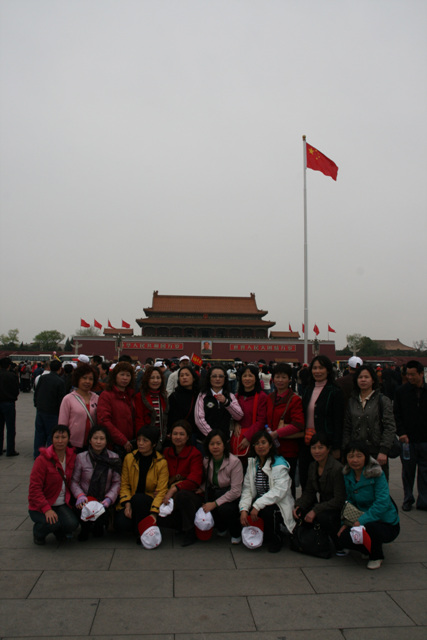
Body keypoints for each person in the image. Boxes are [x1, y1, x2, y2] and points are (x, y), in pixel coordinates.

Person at [338, 440, 400, 569]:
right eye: (351, 456)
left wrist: (361, 521)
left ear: (366, 457)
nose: (355, 460)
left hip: (384, 521)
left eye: (359, 456)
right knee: (343, 537)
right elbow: (350, 500)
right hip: (360, 516)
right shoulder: (348, 474)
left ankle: (376, 556)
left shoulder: (377, 473)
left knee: (370, 528)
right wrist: (346, 522)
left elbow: (382, 503)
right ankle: (367, 549)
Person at [239, 430, 295, 552]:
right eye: (257, 443)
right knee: (243, 509)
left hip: (278, 504)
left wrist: (257, 505)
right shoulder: (253, 463)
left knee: (268, 511)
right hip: (260, 502)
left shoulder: (279, 464)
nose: (260, 446)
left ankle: (277, 538)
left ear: (270, 445)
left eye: (263, 442)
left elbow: (279, 491)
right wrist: (244, 509)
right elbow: (247, 489)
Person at [293, 433, 346, 554]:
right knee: (300, 512)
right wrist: (299, 505)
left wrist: (315, 510)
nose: (317, 451)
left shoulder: (337, 469)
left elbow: (339, 499)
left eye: (321, 447)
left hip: (336, 508)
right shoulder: (313, 466)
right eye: (314, 448)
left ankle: (339, 543)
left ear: (328, 449)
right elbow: (309, 491)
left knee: (323, 517)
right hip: (323, 505)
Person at [115, 425, 169, 541]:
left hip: (148, 501)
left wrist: (154, 512)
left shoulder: (161, 462)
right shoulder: (129, 458)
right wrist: (127, 504)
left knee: (139, 499)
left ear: (153, 444)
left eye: (145, 441)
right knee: (121, 524)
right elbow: (124, 484)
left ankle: (141, 532)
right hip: (132, 500)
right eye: (139, 440)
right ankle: (140, 526)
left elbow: (161, 490)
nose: (140, 443)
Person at [343, 365, 396, 480]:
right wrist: (347, 450)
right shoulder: (352, 401)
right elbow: (347, 427)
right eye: (360, 377)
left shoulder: (382, 400)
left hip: (376, 452)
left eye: (366, 377)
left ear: (373, 380)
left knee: (378, 485)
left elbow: (390, 427)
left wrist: (384, 450)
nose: (363, 380)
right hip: (356, 452)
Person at [28, 425, 79, 544]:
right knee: (52, 523)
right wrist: (46, 509)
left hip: (61, 503)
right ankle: (38, 532)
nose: (60, 441)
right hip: (41, 505)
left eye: (63, 437)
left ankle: (59, 530)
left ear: (68, 439)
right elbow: (34, 488)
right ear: (52, 439)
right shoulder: (42, 460)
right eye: (57, 437)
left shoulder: (72, 456)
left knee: (72, 524)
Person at [300, 356, 344, 490]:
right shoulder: (308, 390)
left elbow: (339, 421)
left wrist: (336, 447)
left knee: (327, 483)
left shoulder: (335, 391)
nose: (317, 371)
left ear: (328, 370)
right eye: (314, 368)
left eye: (321, 368)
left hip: (326, 442)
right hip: (308, 442)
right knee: (306, 479)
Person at [70, 426, 121, 541]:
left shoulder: (114, 458)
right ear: (90, 440)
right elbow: (74, 481)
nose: (98, 442)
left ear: (106, 441)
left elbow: (116, 482)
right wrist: (80, 496)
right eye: (95, 438)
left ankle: (99, 524)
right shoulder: (81, 457)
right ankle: (85, 527)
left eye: (102, 439)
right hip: (86, 498)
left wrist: (109, 499)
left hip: (103, 499)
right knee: (81, 511)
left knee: (99, 533)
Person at [160, 420, 203, 546]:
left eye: (181, 434)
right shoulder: (166, 453)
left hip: (190, 495)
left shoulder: (195, 453)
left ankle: (190, 531)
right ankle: (179, 526)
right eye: (175, 434)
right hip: (169, 493)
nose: (178, 437)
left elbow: (194, 480)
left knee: (182, 496)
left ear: (188, 437)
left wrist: (174, 489)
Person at [266, 363, 304, 496]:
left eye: (283, 377)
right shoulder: (270, 398)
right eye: (277, 377)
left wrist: (276, 433)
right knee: (271, 483)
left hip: (288, 450)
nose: (280, 380)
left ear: (289, 380)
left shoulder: (294, 400)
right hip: (271, 449)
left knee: (287, 484)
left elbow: (298, 424)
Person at [394, 360, 427, 511]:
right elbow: (397, 414)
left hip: (425, 439)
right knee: (408, 471)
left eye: (413, 374)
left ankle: (423, 500)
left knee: (424, 472)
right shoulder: (401, 392)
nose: (410, 377)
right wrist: (401, 433)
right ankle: (408, 498)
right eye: (408, 374)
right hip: (407, 440)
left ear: (421, 374)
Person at [200, 429, 244, 543]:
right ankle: (221, 527)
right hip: (215, 491)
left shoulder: (234, 462)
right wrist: (200, 489)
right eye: (212, 444)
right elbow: (208, 481)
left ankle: (236, 532)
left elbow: (236, 491)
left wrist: (214, 504)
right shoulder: (206, 460)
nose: (215, 447)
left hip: (231, 496)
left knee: (225, 508)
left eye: (218, 443)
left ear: (224, 445)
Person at [97, 362, 136, 459]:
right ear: (115, 376)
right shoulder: (106, 395)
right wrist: (121, 439)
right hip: (114, 445)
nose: (125, 378)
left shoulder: (130, 395)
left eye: (128, 375)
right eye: (122, 374)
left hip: (130, 443)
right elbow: (104, 421)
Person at [195, 365, 243, 442]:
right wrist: (213, 436)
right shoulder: (202, 395)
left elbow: (239, 416)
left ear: (225, 378)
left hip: (224, 441)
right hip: (205, 441)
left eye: (221, 376)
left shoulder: (230, 396)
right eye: (214, 376)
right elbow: (199, 419)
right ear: (209, 378)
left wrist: (227, 403)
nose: (217, 379)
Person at [58, 364, 99, 451]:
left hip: (93, 444)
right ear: (77, 379)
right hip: (73, 444)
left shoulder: (97, 398)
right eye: (84, 378)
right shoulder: (68, 399)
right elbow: (62, 424)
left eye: (91, 379)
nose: (87, 381)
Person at [233, 364, 268, 462]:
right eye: (244, 376)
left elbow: (261, 421)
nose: (247, 379)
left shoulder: (262, 397)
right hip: (238, 438)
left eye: (250, 376)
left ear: (256, 378)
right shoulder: (236, 396)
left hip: (255, 439)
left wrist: (248, 437)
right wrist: (235, 423)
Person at [33, 359, 66, 458]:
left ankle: (38, 455)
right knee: (51, 435)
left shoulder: (42, 378)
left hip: (40, 409)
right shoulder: (60, 381)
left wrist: (36, 404)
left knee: (39, 433)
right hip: (53, 412)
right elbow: (61, 399)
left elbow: (36, 392)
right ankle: (49, 455)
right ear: (60, 369)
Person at [134, 365, 169, 449]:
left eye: (158, 378)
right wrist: (142, 439)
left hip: (161, 438)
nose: (155, 380)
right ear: (147, 380)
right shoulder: (140, 397)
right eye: (152, 378)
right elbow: (139, 420)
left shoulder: (163, 396)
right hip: (146, 440)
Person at [167, 366, 200, 437]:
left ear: (193, 378)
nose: (184, 377)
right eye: (181, 375)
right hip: (179, 434)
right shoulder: (174, 397)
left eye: (187, 375)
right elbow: (170, 418)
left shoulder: (199, 395)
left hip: (196, 433)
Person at [0, 357, 20, 457]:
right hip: (9, 403)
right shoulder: (12, 376)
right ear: (9, 365)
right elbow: (16, 390)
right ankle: (10, 450)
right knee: (10, 427)